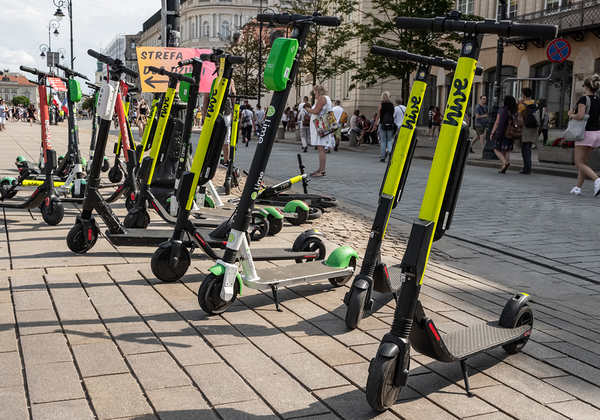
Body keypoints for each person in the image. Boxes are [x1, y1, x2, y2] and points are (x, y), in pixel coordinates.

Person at [567, 74, 600, 197]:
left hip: (585, 133)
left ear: (586, 86)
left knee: (578, 162)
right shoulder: (598, 100)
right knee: (584, 162)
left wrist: (571, 114)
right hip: (597, 133)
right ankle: (578, 187)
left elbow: (580, 116)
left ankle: (597, 180)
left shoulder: (583, 99)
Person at [304, 84, 333, 177]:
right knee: (321, 148)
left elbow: (316, 111)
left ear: (317, 91)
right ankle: (320, 169)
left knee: (321, 148)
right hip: (323, 125)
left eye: (314, 92)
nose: (314, 94)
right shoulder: (327, 98)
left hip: (321, 126)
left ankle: (322, 171)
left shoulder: (321, 98)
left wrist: (308, 110)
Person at [491, 95, 518, 174]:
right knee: (506, 151)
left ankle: (504, 162)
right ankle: (503, 167)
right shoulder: (514, 110)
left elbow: (497, 122)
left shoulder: (502, 110)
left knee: (496, 149)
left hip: (502, 132)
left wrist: (492, 132)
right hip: (510, 133)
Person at [517, 87, 538, 174]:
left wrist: (519, 104)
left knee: (525, 149)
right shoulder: (536, 103)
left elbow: (518, 116)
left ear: (524, 95)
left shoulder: (522, 105)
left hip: (525, 128)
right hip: (534, 128)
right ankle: (527, 167)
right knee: (528, 147)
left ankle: (527, 168)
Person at [374, 91, 395, 162]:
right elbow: (393, 115)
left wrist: (375, 124)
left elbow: (378, 116)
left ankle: (383, 157)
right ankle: (390, 153)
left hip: (382, 124)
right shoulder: (392, 105)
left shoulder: (381, 105)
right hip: (390, 124)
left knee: (383, 141)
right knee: (389, 140)